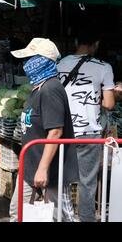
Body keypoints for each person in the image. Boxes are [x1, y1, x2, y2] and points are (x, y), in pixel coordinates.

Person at [9, 38, 79, 222]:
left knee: (60, 217)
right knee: (18, 213)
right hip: (30, 165)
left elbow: (55, 131)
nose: (25, 63)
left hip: (50, 170)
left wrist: (42, 169)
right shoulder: (39, 87)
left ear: (41, 61)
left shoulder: (50, 89)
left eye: (30, 58)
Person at [57, 29, 115, 222]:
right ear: (96, 44)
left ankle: (63, 217)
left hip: (63, 131)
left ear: (75, 41)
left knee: (62, 180)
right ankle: (87, 219)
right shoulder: (104, 67)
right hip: (89, 133)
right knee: (87, 183)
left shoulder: (60, 64)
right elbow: (109, 104)